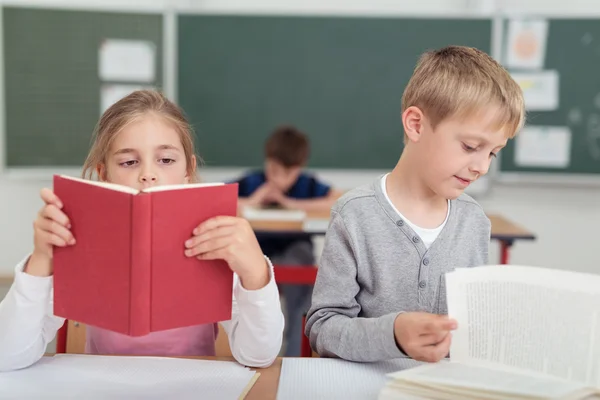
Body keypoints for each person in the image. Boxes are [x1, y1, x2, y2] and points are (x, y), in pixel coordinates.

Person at [0, 90, 284, 372]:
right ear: (104, 174)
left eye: (166, 160)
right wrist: (41, 260)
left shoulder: (215, 243)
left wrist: (255, 273)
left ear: (189, 170)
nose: (148, 174)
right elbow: (8, 355)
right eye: (128, 162)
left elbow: (258, 356)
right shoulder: (78, 241)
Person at [305, 46, 525, 363]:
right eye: (471, 146)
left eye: (492, 152)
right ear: (416, 124)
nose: (482, 167)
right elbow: (322, 330)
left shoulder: (474, 222)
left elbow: (471, 326)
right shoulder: (355, 215)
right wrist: (392, 334)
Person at [234, 125, 340, 356]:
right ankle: (250, 348)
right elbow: (217, 197)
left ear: (298, 169)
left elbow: (337, 199)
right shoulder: (253, 182)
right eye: (273, 169)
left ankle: (292, 352)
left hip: (294, 251)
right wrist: (254, 200)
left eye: (286, 173)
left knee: (300, 276)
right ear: (266, 162)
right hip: (259, 251)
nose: (278, 178)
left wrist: (290, 202)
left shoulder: (307, 184)